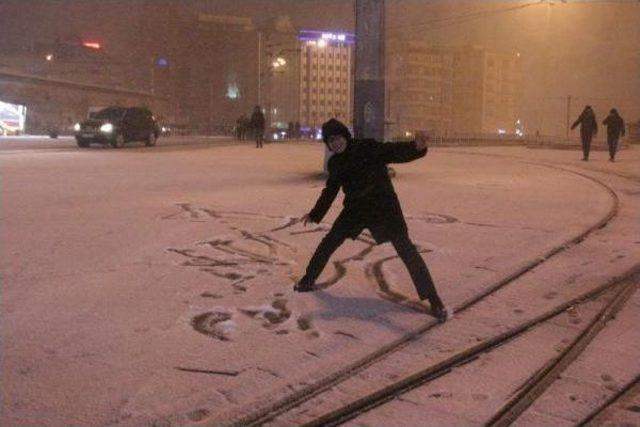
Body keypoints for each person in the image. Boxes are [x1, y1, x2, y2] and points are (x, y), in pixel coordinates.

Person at [294, 119, 450, 322]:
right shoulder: (336, 163)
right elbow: (330, 191)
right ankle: (308, 279)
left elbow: (392, 151)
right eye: (330, 141)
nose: (335, 143)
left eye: (338, 138)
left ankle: (434, 299)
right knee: (330, 240)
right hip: (355, 210)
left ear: (345, 136)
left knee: (406, 250)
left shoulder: (367, 147)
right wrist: (315, 214)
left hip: (383, 207)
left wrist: (415, 148)